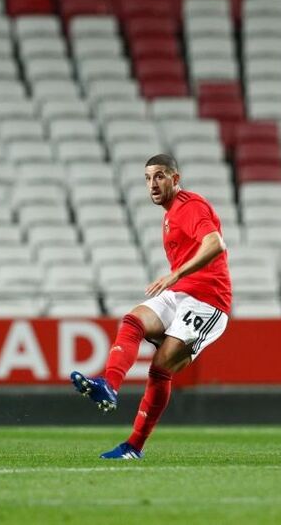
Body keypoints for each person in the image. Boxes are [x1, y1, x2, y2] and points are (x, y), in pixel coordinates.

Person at [70, 153, 232, 459]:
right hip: (181, 293)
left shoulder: (190, 206)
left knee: (160, 367)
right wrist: (178, 280)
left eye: (159, 176)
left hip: (208, 301)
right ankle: (108, 385)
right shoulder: (170, 213)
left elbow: (215, 244)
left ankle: (134, 446)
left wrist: (176, 274)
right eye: (147, 178)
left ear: (175, 178)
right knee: (133, 321)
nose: (152, 184)